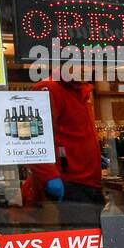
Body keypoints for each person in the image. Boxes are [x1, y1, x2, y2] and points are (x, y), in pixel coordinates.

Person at [23, 72, 105, 228]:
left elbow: (74, 133)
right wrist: (49, 176)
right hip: (69, 185)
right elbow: (30, 138)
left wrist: (94, 156)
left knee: (96, 242)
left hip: (89, 183)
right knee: (81, 243)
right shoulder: (47, 89)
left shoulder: (82, 90)